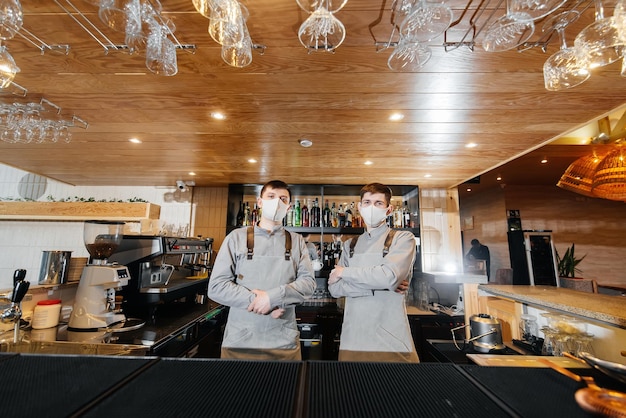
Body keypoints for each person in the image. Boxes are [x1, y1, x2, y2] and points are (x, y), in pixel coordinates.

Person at [208, 180, 316, 360]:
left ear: (288, 207)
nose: (277, 202)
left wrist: (271, 298)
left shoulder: (296, 241)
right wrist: (264, 303)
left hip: (283, 343)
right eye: (271, 197)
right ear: (260, 202)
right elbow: (217, 287)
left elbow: (308, 284)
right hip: (240, 342)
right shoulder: (236, 237)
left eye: (283, 199)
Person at [327, 182, 419, 363]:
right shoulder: (350, 245)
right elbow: (335, 290)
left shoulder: (403, 238)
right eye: (367, 202)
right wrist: (380, 286)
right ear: (360, 207)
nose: (371, 207)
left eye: (378, 203)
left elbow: (389, 277)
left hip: (390, 337)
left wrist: (344, 272)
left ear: (389, 209)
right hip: (353, 338)